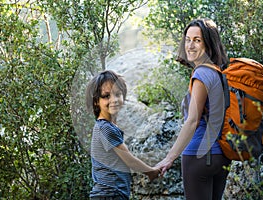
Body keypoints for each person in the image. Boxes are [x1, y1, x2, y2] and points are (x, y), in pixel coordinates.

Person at [156, 18, 231, 200]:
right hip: (221, 156)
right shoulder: (219, 72)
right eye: (188, 39)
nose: (190, 45)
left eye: (197, 40)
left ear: (209, 43)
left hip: (198, 156)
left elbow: (192, 121)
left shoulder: (202, 73)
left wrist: (169, 158)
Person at [86, 70, 159, 200]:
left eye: (117, 94)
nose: (113, 100)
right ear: (96, 101)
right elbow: (129, 160)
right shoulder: (106, 128)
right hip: (110, 194)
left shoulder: (107, 126)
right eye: (106, 96)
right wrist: (151, 172)